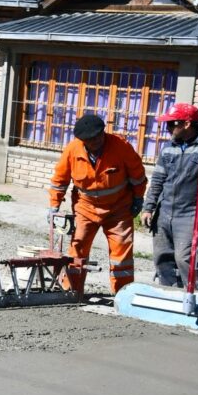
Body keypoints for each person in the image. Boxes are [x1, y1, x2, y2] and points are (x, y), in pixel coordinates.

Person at [48, 114, 146, 294]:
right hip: (85, 208)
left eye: (97, 137)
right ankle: (72, 291)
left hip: (118, 209)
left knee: (121, 256)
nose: (95, 142)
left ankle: (122, 294)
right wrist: (54, 205)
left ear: (103, 132)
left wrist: (138, 198)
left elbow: (138, 175)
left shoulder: (121, 147)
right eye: (89, 140)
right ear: (82, 140)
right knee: (77, 250)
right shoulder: (72, 150)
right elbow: (59, 180)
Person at [140, 103, 198, 291]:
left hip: (191, 214)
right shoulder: (168, 148)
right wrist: (148, 208)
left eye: (172, 124)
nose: (168, 128)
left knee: (185, 259)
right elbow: (157, 180)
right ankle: (171, 295)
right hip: (164, 213)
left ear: (187, 124)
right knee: (163, 258)